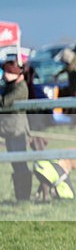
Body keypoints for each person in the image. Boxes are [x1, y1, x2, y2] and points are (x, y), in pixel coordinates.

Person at [1, 60, 32, 201]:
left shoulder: (20, 88)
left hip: (18, 131)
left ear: (15, 74)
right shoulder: (10, 86)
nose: (5, 75)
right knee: (15, 164)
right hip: (9, 131)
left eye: (8, 72)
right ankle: (20, 197)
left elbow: (4, 102)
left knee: (20, 164)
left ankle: (24, 197)